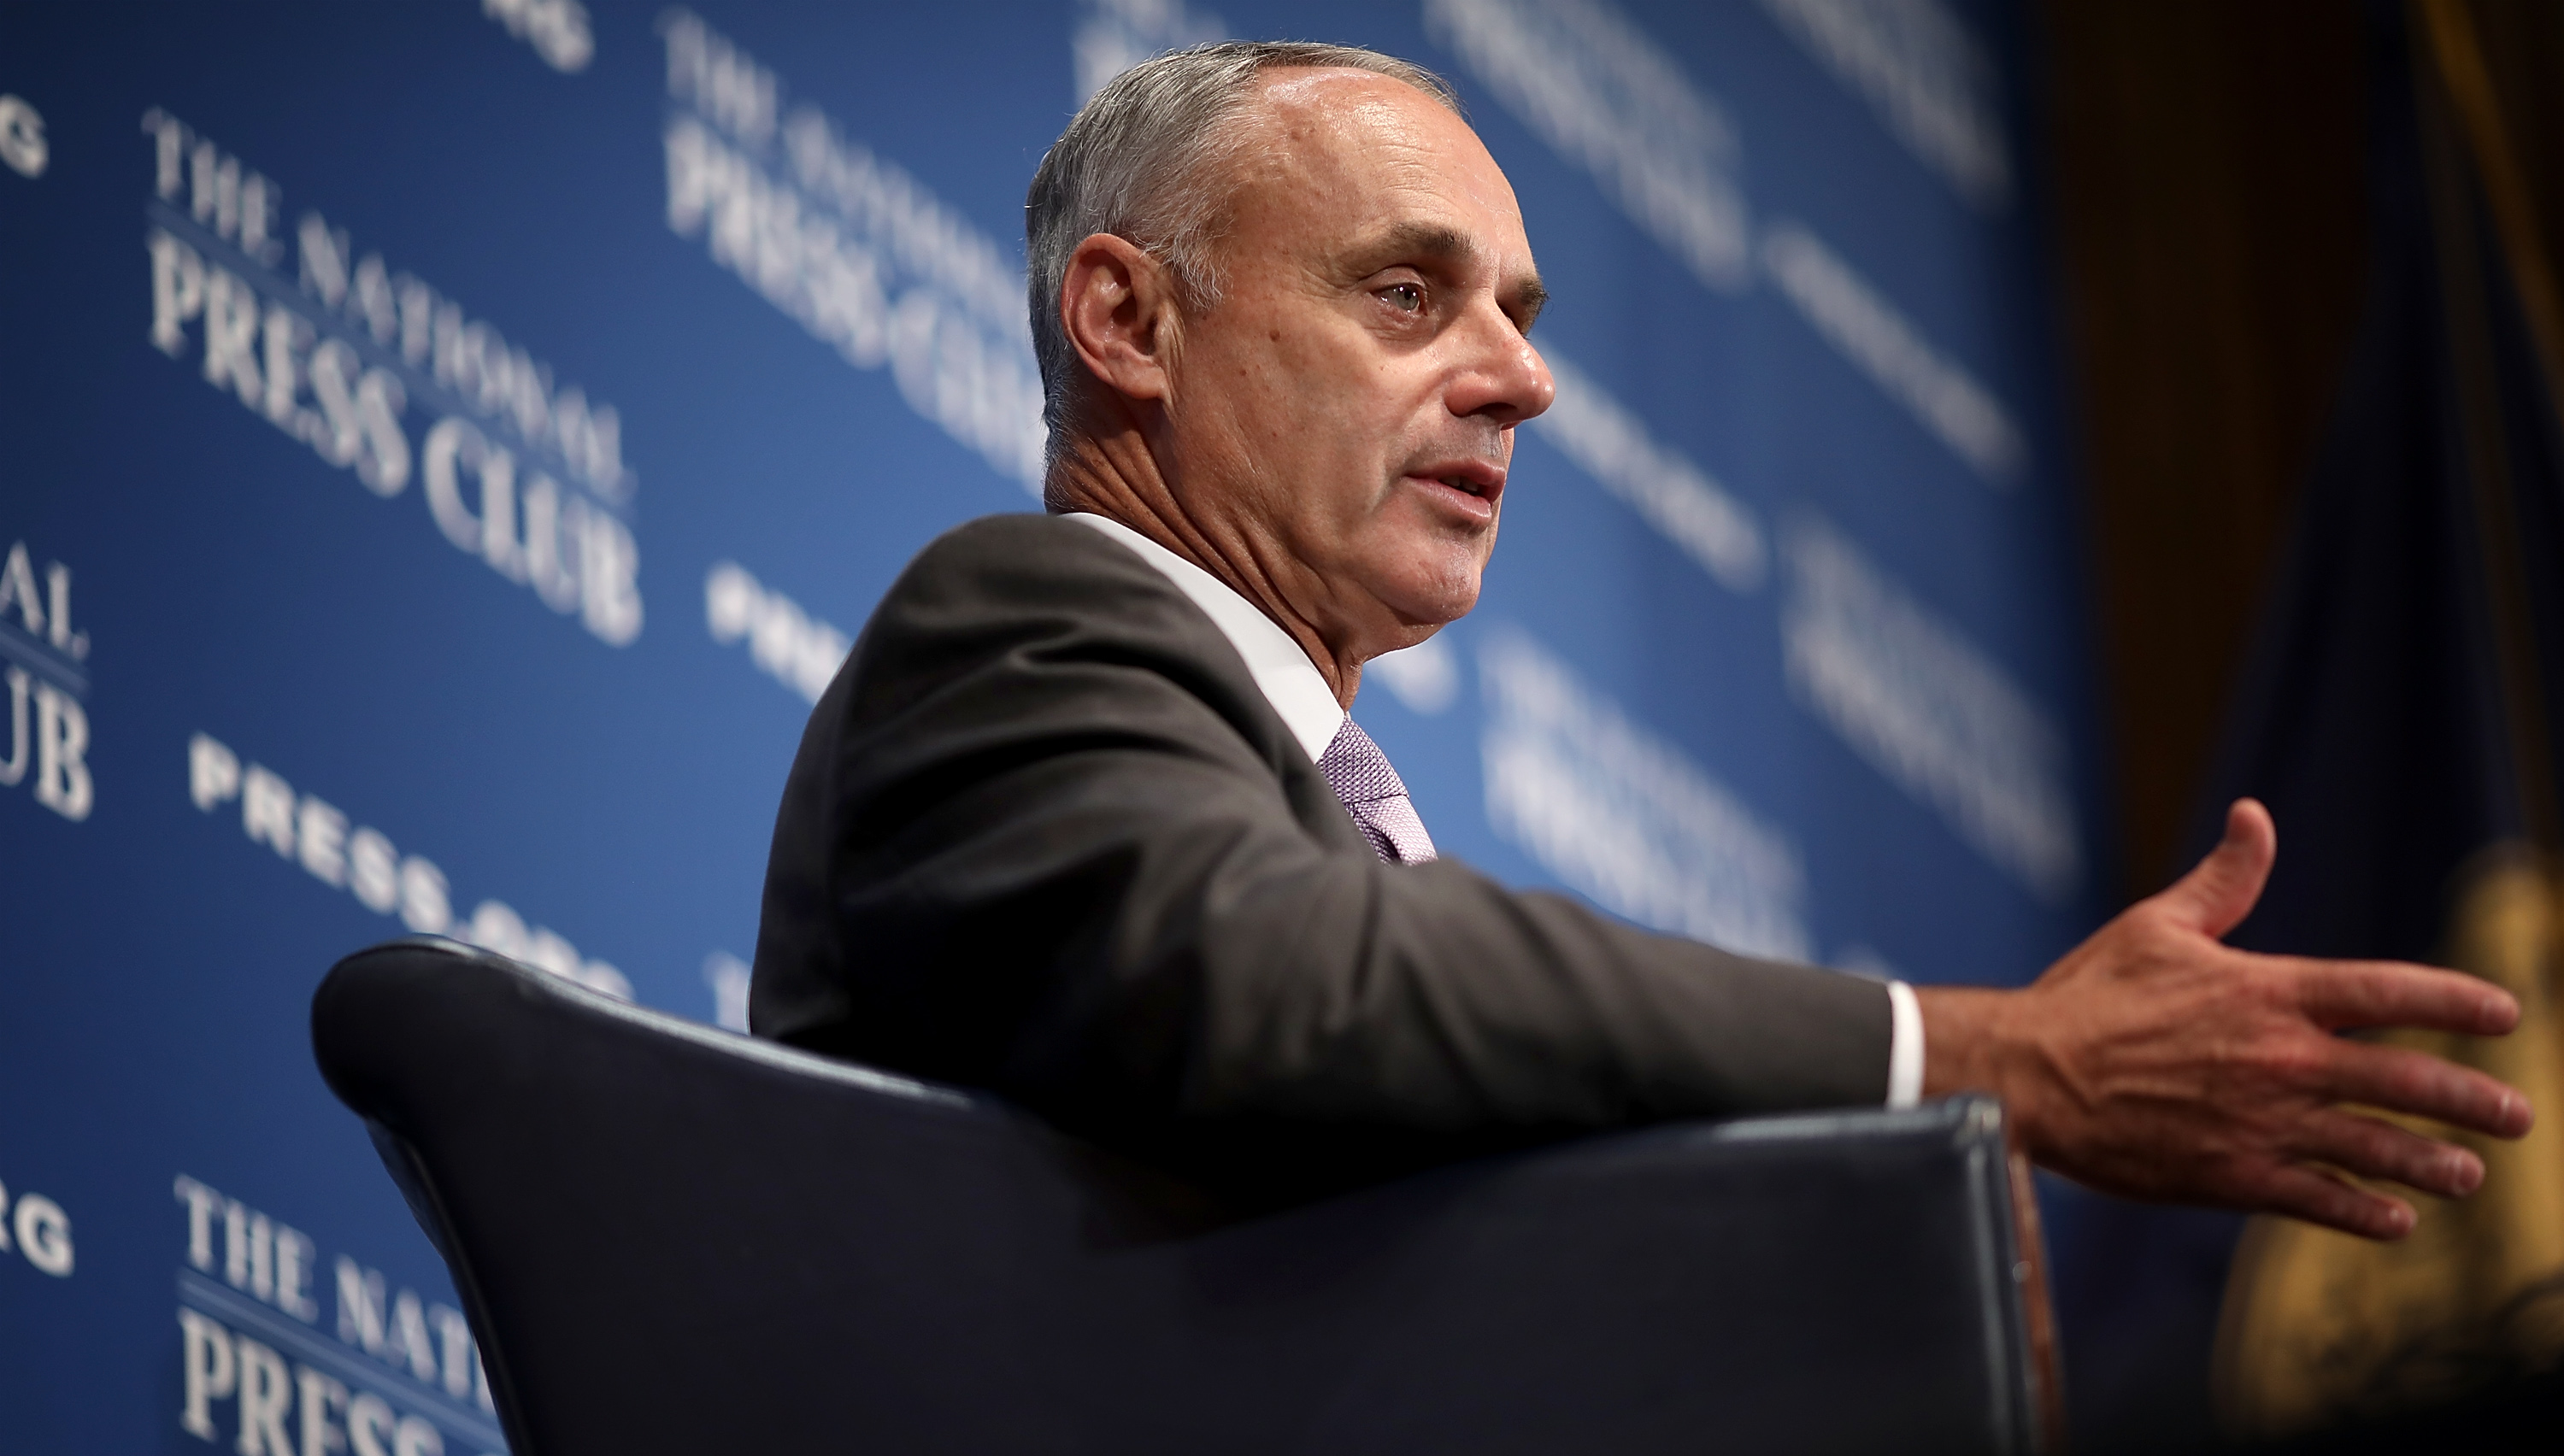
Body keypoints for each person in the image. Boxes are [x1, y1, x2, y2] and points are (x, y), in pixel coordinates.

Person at [752, 40, 2528, 1225]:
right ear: (1127, 320)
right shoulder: (1015, 623)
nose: (1523, 377)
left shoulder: (1293, 788)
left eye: (1517, 315)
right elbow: (1311, 991)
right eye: (1405, 291)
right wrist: (1992, 1058)